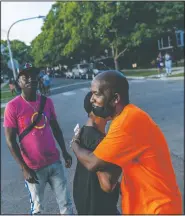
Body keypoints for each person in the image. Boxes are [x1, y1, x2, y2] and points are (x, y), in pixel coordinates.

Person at [71, 70, 182, 214]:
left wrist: (74, 144)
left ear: (115, 98)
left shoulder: (127, 122)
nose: (92, 99)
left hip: (157, 208)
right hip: (143, 206)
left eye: (96, 94)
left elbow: (93, 163)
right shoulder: (123, 119)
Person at [4, 65, 73, 215]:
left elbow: (56, 129)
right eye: (25, 77)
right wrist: (24, 168)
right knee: (38, 209)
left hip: (54, 162)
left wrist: (65, 152)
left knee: (66, 204)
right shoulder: (12, 107)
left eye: (34, 75)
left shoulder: (46, 102)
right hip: (33, 168)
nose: (31, 79)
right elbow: (10, 141)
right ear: (19, 82)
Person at [73, 91, 121, 215]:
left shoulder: (84, 130)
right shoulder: (97, 140)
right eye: (108, 103)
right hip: (99, 206)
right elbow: (108, 184)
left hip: (85, 201)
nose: (113, 106)